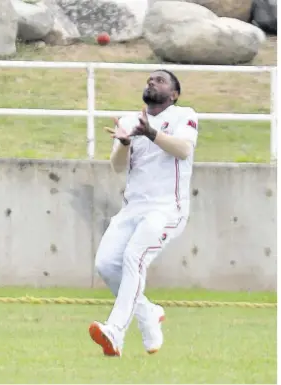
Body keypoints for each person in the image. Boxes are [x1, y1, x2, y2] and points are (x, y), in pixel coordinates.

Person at [88, 70, 198, 357]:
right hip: (132, 208)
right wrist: (125, 143)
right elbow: (117, 166)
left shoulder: (183, 115)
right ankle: (148, 313)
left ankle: (115, 331)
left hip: (167, 209)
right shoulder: (128, 121)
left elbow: (183, 149)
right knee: (106, 264)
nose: (152, 82)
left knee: (134, 257)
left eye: (161, 80)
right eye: (150, 79)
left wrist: (150, 132)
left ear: (174, 94)